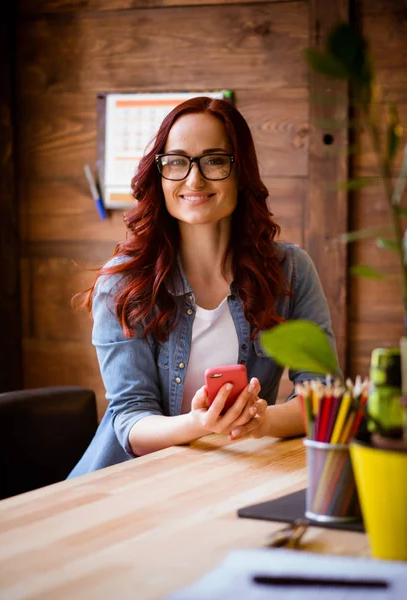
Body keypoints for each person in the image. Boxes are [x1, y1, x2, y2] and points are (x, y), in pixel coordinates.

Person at [68, 96, 339, 477]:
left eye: (214, 160)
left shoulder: (290, 271)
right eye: (177, 162)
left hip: (235, 474)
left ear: (240, 171)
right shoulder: (123, 283)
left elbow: (323, 395)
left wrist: (261, 422)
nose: (194, 179)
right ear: (160, 175)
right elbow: (130, 424)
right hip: (129, 483)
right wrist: (201, 425)